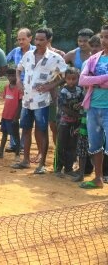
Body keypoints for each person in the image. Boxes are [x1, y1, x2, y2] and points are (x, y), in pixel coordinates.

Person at [14, 28, 67, 174]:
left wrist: (52, 85)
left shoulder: (55, 58)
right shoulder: (28, 55)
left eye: (41, 40)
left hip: (42, 101)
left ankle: (42, 164)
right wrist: (18, 80)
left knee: (41, 131)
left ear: (48, 40)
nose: (38, 42)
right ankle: (25, 161)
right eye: (36, 39)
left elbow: (66, 75)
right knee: (25, 129)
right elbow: (19, 68)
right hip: (27, 99)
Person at [78, 24, 108, 189]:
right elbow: (82, 80)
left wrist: (95, 80)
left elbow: (89, 81)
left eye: (107, 37)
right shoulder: (93, 59)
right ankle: (98, 178)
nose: (104, 40)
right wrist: (104, 79)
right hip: (93, 107)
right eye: (102, 36)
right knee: (95, 145)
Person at [54, 68, 83, 177]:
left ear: (78, 78)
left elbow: (83, 102)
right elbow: (63, 108)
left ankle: (68, 168)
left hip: (74, 123)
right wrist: (77, 115)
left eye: (74, 79)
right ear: (65, 79)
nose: (71, 81)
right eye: (69, 79)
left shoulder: (79, 90)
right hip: (63, 122)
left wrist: (80, 105)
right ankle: (58, 168)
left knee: (72, 145)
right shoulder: (63, 91)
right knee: (61, 145)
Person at [0, 68, 22, 161]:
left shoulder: (19, 88)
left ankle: (17, 154)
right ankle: (0, 152)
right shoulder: (6, 87)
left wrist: (16, 117)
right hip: (5, 115)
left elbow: (20, 103)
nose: (10, 77)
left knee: (15, 135)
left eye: (13, 75)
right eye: (9, 75)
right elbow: (6, 102)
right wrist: (3, 116)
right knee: (4, 133)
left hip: (13, 116)